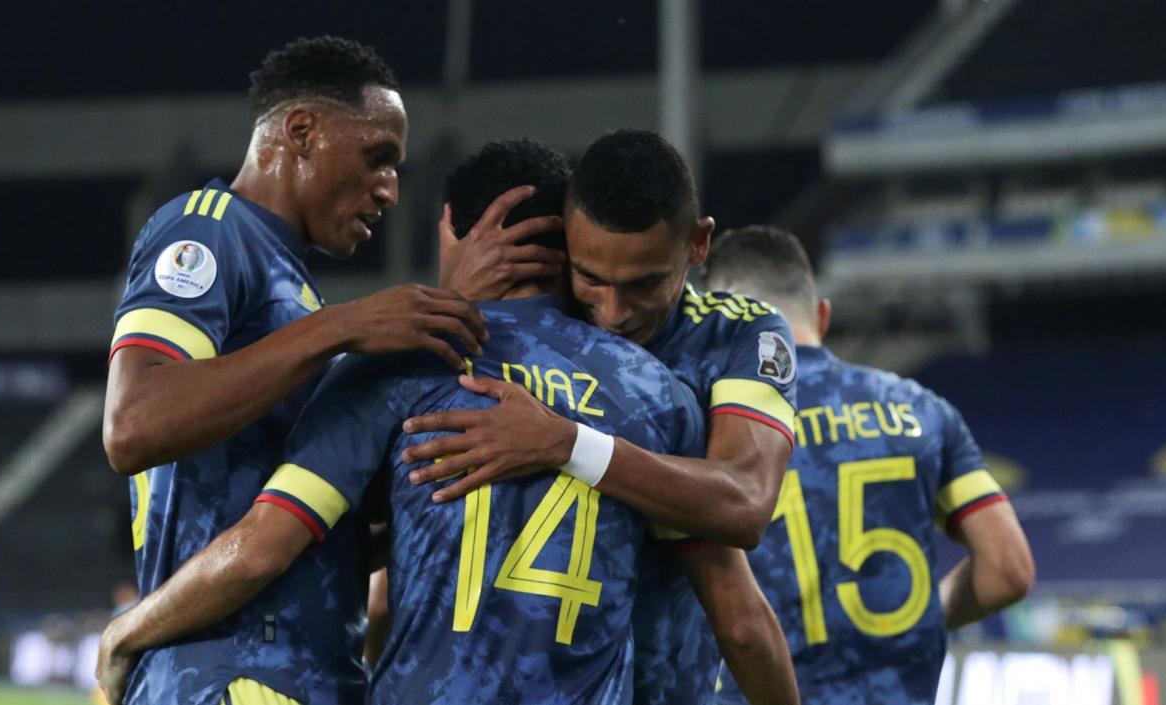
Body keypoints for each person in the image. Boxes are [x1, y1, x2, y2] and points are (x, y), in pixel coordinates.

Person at [95, 138, 709, 704]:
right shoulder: (657, 393)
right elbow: (708, 614)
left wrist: (130, 629)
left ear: (449, 229)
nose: (386, 188)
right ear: (570, 250)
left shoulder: (400, 368)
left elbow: (263, 548)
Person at [97, 37, 561, 705]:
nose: (390, 189)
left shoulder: (296, 291)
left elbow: (320, 521)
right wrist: (342, 327)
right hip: (230, 672)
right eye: (378, 157)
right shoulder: (209, 230)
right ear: (302, 132)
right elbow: (133, 423)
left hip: (302, 676)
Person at [406, 129, 800, 704]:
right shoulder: (528, 324)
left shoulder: (738, 334)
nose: (614, 313)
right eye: (590, 278)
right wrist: (453, 295)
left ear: (698, 244)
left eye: (646, 283)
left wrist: (568, 444)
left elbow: (743, 502)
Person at [703, 226, 1035, 705]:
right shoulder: (922, 409)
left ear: (723, 328)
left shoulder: (713, 424)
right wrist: (914, 618)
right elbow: (1009, 569)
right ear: (822, 314)